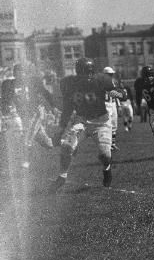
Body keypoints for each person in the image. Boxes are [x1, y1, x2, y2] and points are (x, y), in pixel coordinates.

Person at [49, 57, 123, 192]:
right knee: (67, 146)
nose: (88, 76)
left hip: (101, 121)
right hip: (81, 121)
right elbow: (67, 109)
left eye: (90, 72)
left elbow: (121, 93)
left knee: (105, 155)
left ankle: (107, 169)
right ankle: (62, 176)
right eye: (84, 72)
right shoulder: (70, 84)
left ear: (93, 72)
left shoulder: (101, 79)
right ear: (78, 72)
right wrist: (61, 129)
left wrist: (116, 93)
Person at [0, 63, 57, 169]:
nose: (20, 74)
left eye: (22, 72)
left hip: (35, 113)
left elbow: (45, 93)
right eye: (17, 72)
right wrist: (5, 110)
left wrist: (53, 107)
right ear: (14, 73)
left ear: (26, 73)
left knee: (27, 138)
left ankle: (25, 163)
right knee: (47, 143)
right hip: (22, 116)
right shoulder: (8, 84)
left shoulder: (33, 82)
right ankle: (67, 144)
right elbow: (4, 100)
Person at [103, 67, 120, 150]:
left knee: (114, 124)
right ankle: (107, 144)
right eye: (110, 74)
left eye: (112, 74)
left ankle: (112, 143)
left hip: (112, 103)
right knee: (107, 125)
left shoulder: (112, 82)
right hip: (106, 104)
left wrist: (118, 104)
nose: (111, 75)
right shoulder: (101, 82)